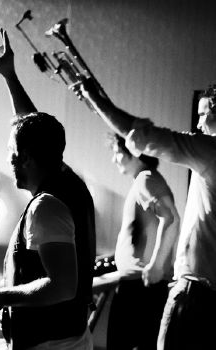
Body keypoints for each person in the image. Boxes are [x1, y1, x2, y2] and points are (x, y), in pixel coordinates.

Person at [0, 29, 96, 350]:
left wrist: (0, 296)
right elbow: (33, 127)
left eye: (13, 155)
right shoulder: (69, 183)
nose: (10, 162)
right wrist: (9, 77)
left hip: (50, 345)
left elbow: (62, 287)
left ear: (29, 159)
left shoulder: (47, 206)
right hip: (66, 337)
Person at [78, 79, 216, 349]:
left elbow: (169, 217)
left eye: (203, 115)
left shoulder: (206, 153)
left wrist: (95, 98)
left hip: (192, 288)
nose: (198, 124)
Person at [104, 133, 180, 349]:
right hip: (138, 285)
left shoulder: (146, 179)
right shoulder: (144, 180)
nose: (114, 158)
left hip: (140, 289)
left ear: (135, 153)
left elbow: (171, 218)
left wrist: (156, 265)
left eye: (118, 152)